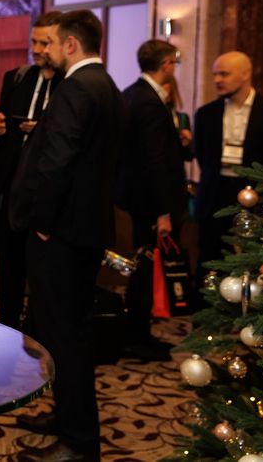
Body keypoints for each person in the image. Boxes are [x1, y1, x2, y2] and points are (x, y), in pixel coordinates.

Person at [9, 9, 124, 461]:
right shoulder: (107, 85)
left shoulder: (77, 86)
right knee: (66, 333)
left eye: (53, 43)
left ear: (71, 44)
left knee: (66, 339)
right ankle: (66, 418)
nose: (47, 51)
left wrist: (42, 224)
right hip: (83, 230)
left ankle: (78, 442)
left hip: (61, 234)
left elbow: (56, 163)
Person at [0, 10, 62, 330]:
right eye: (35, 42)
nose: (38, 49)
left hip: (46, 195)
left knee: (44, 274)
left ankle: (39, 336)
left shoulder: (71, 85)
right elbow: (0, 124)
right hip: (10, 192)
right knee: (10, 270)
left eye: (46, 43)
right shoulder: (16, 78)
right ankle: (7, 331)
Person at [116, 39, 187, 360]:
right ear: (166, 64)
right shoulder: (148, 101)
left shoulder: (133, 93)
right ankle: (138, 336)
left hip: (137, 197)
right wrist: (163, 212)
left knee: (143, 268)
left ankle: (136, 332)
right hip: (149, 202)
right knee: (146, 269)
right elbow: (154, 161)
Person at [194, 51, 263, 276]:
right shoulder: (206, 114)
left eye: (224, 74)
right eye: (215, 74)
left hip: (254, 195)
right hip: (215, 192)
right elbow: (202, 155)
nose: (217, 80)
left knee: (251, 258)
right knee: (210, 256)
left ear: (245, 74)